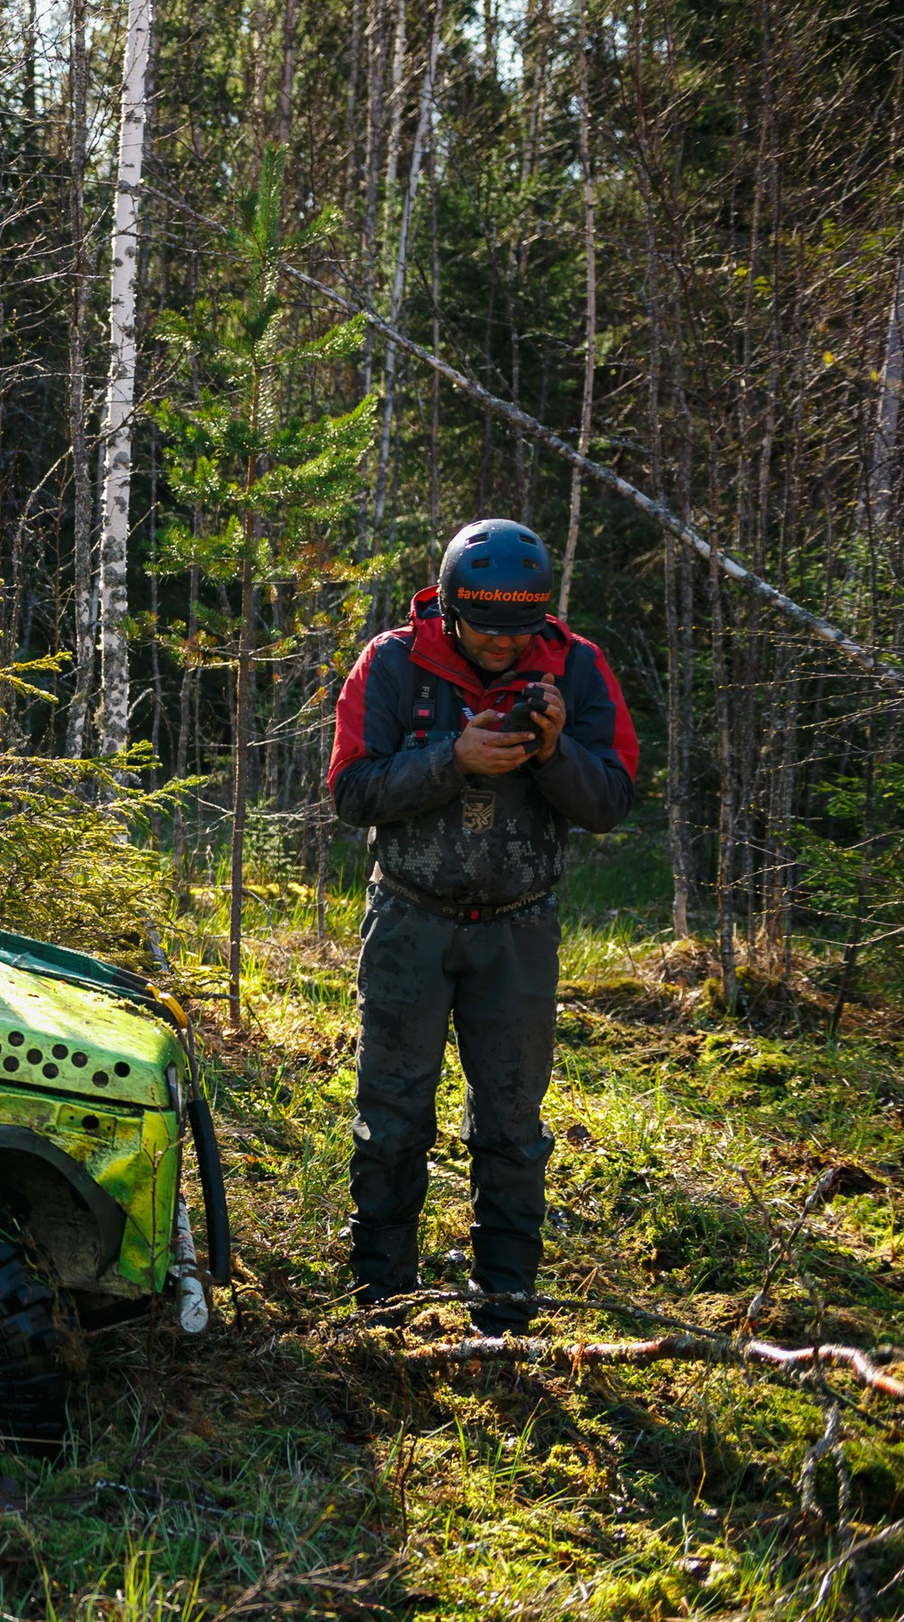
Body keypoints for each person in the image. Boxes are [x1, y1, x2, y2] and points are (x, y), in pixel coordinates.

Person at [326, 519, 639, 1333]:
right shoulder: (391, 663)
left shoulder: (576, 665)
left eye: (518, 630)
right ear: (451, 605)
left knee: (511, 1125)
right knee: (391, 1117)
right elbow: (351, 792)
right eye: (485, 629)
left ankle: (504, 1314)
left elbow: (609, 800)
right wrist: (453, 761)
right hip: (410, 922)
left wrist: (551, 750)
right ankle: (381, 1306)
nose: (502, 646)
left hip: (518, 931)